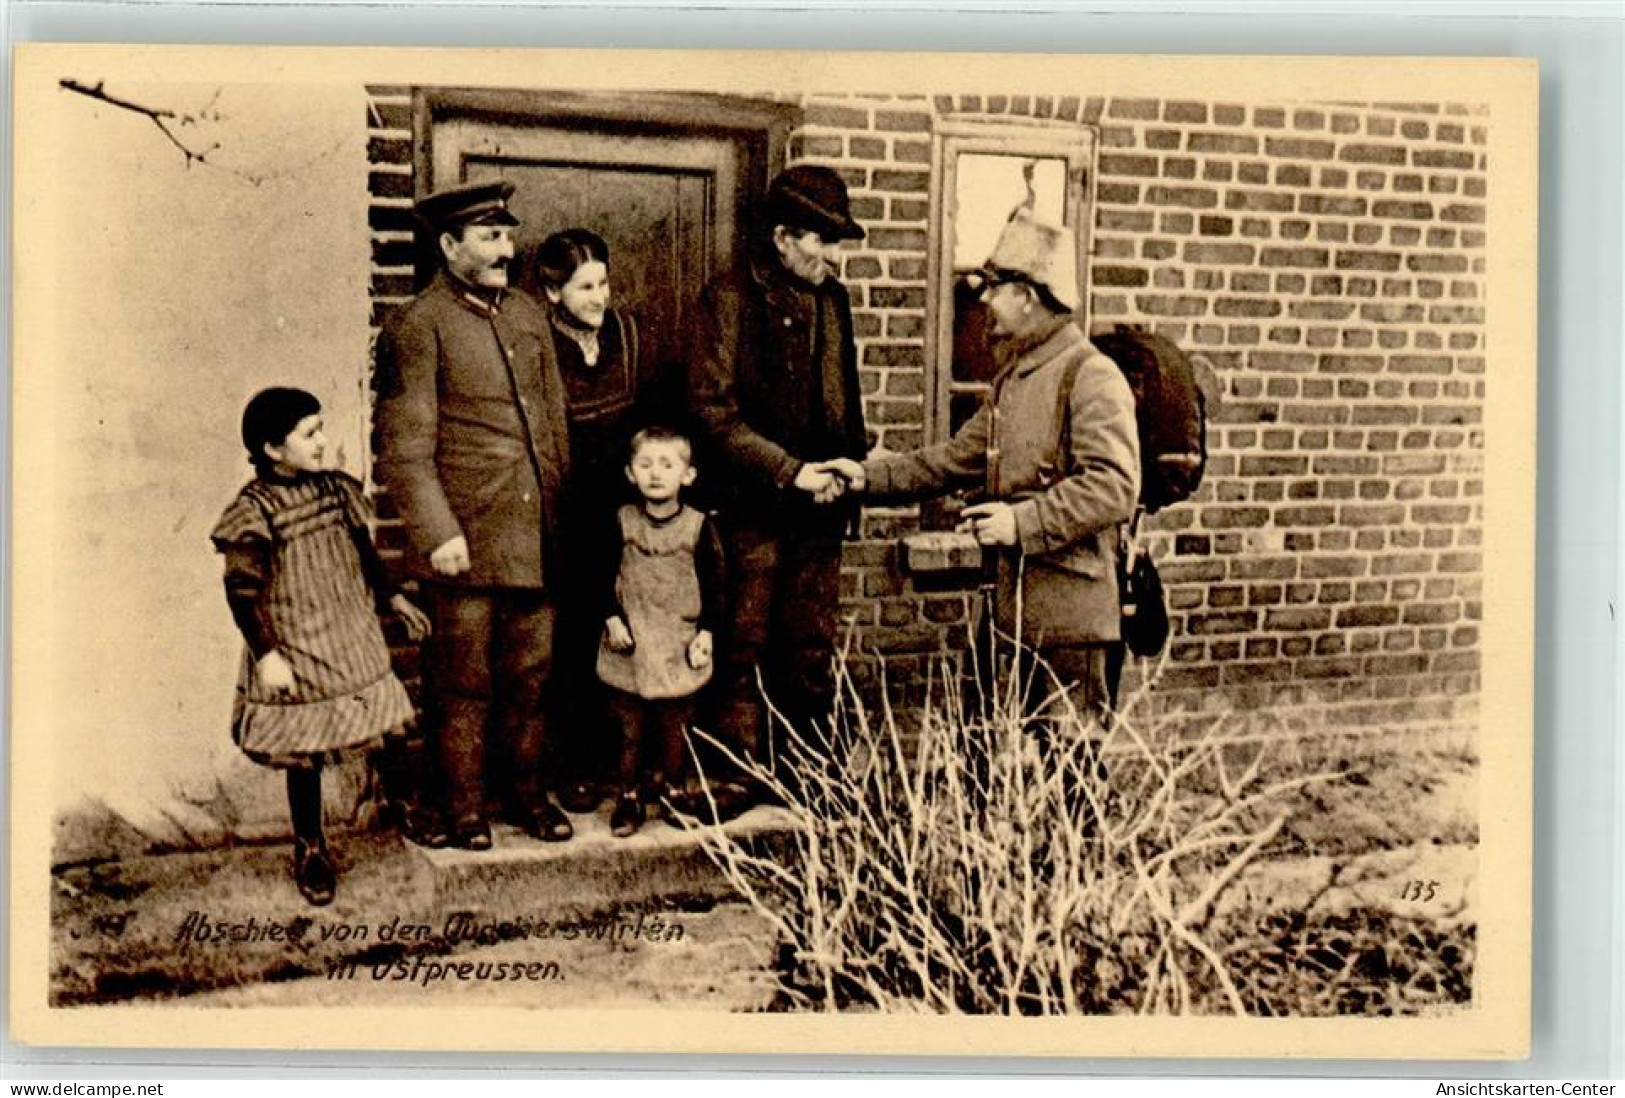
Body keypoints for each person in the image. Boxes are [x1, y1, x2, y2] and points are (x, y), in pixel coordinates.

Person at [829, 210, 1140, 724]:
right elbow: (951, 461)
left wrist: (1020, 522)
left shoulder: (1090, 375)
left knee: (1070, 769)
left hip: (1069, 619)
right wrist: (864, 477)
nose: (985, 300)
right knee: (982, 752)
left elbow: (1113, 486)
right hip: (1009, 608)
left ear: (1028, 296)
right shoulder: (1013, 378)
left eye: (996, 288)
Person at [372, 180, 575, 850]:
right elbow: (404, 447)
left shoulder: (525, 315)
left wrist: (558, 515)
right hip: (465, 537)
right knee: (462, 685)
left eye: (507, 236)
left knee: (532, 678)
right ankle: (461, 808)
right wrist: (437, 533)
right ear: (448, 244)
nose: (503, 250)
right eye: (488, 238)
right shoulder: (417, 324)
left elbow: (553, 425)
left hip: (532, 536)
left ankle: (527, 796)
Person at [687, 164, 869, 811]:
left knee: (808, 647)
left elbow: (842, 399)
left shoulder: (833, 299)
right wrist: (790, 471)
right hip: (753, 508)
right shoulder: (729, 298)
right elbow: (711, 413)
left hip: (821, 513)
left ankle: (808, 776)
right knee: (743, 641)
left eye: (834, 241)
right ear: (782, 237)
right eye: (819, 240)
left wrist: (845, 473)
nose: (829, 255)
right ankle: (735, 776)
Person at [211, 387, 431, 905]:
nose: (323, 442)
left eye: (322, 429)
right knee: (305, 753)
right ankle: (311, 846)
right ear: (272, 448)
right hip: (296, 644)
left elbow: (365, 554)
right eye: (310, 434)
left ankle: (405, 807)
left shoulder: (336, 491)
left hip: (351, 635)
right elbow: (241, 593)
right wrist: (267, 655)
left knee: (386, 722)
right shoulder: (253, 510)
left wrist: (393, 598)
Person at [533, 228, 668, 815]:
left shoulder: (631, 335)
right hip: (565, 513)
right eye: (584, 286)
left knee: (635, 629)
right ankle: (571, 766)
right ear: (553, 291)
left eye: (603, 283)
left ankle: (629, 767)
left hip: (626, 510)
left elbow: (660, 417)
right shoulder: (536, 341)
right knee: (572, 640)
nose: (598, 297)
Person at [594, 426, 727, 836]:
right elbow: (600, 574)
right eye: (645, 464)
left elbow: (717, 585)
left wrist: (707, 633)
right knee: (629, 730)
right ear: (631, 473)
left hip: (676, 641)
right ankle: (630, 798)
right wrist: (612, 617)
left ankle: (673, 792)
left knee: (674, 728)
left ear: (687, 475)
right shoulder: (621, 521)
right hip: (631, 640)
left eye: (667, 465)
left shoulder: (699, 527)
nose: (656, 473)